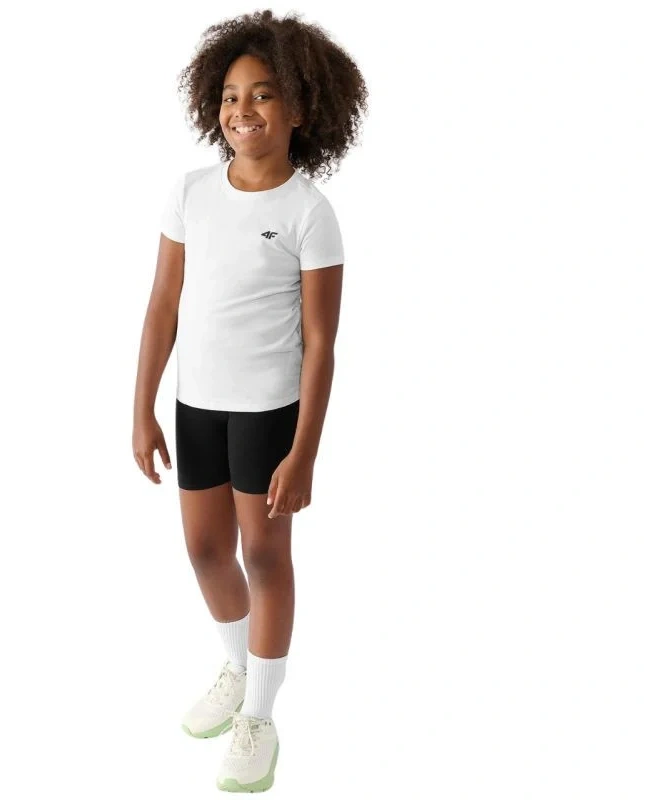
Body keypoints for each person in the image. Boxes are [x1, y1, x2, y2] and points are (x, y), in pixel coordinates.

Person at [132, 9, 367, 793]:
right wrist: (142, 408)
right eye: (231, 96)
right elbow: (162, 305)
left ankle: (260, 718)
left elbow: (321, 344)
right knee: (205, 550)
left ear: (300, 108)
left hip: (268, 413)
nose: (244, 110)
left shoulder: (308, 212)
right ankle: (240, 668)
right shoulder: (191, 192)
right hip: (196, 405)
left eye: (263, 94)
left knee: (264, 557)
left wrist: (304, 453)